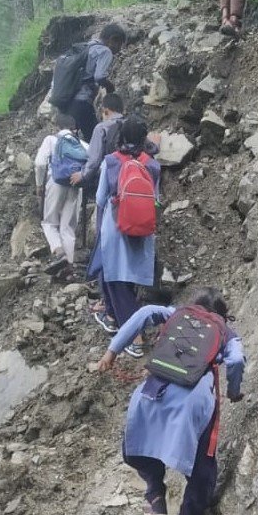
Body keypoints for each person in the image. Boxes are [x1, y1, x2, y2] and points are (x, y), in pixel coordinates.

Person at [97, 287, 246, 515]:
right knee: (202, 468)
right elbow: (236, 361)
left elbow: (144, 313)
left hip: (152, 392)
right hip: (192, 403)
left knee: (137, 446)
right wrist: (233, 391)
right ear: (223, 314)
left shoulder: (176, 313)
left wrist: (112, 352)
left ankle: (155, 495)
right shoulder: (226, 332)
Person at [87, 117, 161, 353]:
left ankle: (135, 338)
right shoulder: (152, 164)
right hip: (143, 230)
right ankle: (112, 316)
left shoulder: (111, 161)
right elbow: (156, 200)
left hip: (116, 228)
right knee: (127, 279)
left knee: (117, 281)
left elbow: (100, 198)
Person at [33, 114, 88, 277]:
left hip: (55, 183)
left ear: (57, 127)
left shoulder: (51, 140)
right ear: (74, 129)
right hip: (75, 184)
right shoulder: (82, 144)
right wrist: (82, 176)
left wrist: (39, 184)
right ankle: (68, 267)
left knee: (49, 223)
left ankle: (59, 252)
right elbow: (94, 164)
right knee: (68, 226)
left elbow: (39, 163)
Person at [68, 23, 126, 139]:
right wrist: (109, 86)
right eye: (119, 44)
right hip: (81, 101)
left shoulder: (89, 46)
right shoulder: (105, 51)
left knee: (74, 138)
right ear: (112, 40)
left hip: (68, 100)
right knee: (95, 138)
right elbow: (99, 77)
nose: (119, 49)